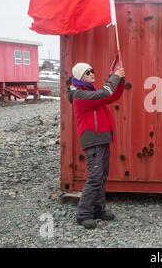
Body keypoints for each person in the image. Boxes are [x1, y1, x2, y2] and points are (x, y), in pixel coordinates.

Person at [67, 62, 126, 229]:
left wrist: (120, 80)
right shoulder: (80, 95)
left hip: (101, 139)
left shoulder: (90, 94)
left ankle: (98, 209)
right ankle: (83, 214)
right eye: (88, 72)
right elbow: (105, 92)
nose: (92, 73)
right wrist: (115, 77)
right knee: (95, 176)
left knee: (101, 175)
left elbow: (112, 96)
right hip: (93, 140)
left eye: (92, 70)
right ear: (80, 77)